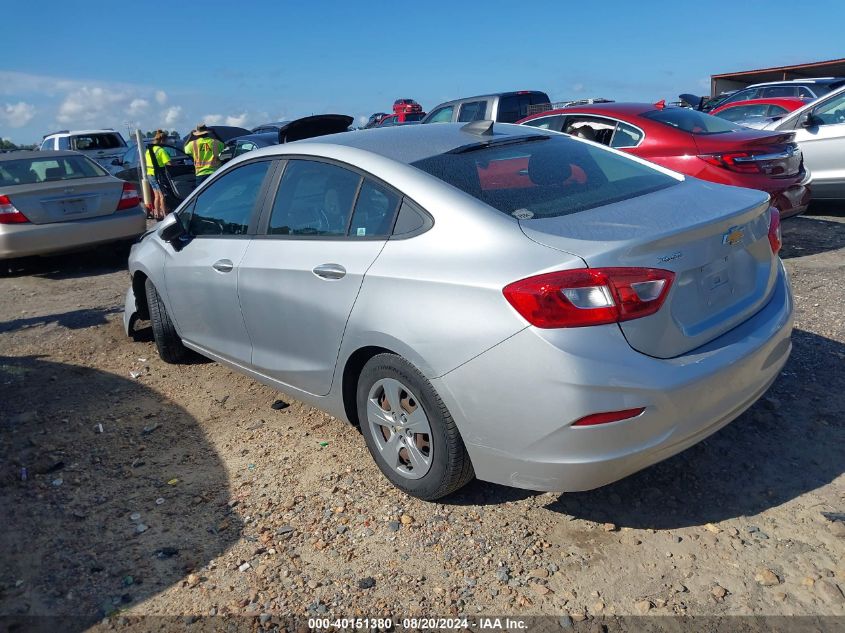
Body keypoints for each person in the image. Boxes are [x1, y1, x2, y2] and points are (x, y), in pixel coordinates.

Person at [144, 130, 171, 220]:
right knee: (162, 195)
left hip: (150, 174)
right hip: (158, 175)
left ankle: (158, 214)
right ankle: (165, 215)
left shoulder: (149, 150)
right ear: (162, 140)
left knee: (156, 195)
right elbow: (169, 163)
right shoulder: (161, 150)